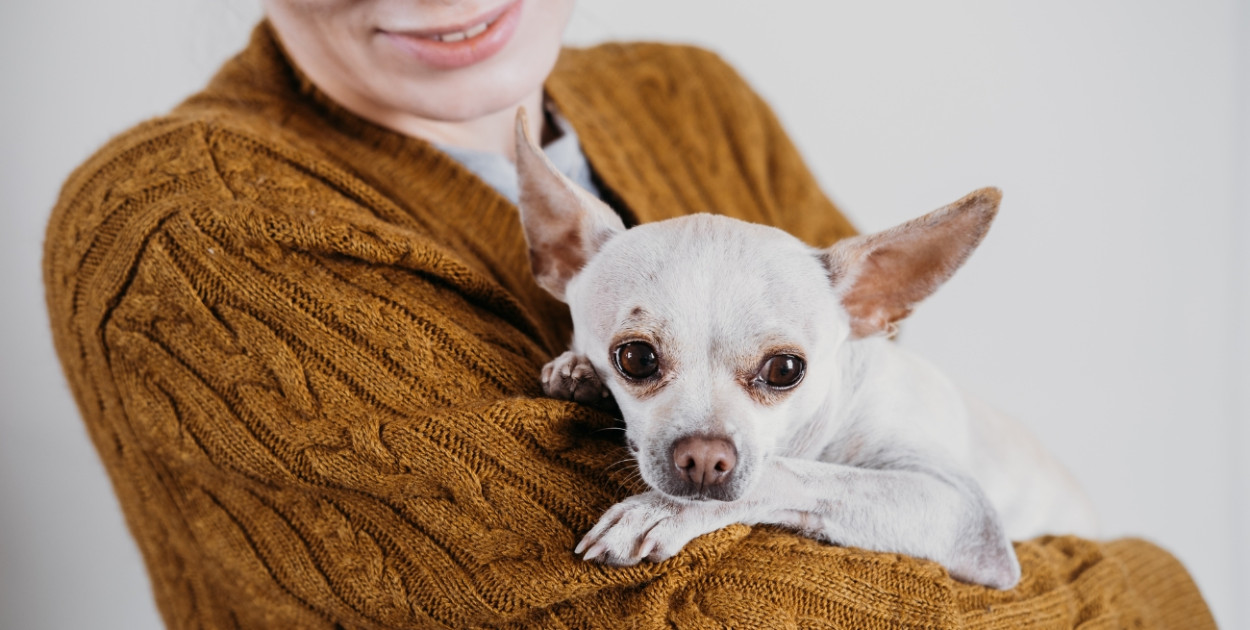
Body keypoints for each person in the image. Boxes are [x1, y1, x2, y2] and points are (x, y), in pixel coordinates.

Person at [43, 1, 1214, 628]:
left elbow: (932, 527)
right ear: (561, 255)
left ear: (877, 298)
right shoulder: (183, 230)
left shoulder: (691, 93)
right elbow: (683, 619)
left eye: (768, 376)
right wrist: (1148, 596)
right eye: (638, 360)